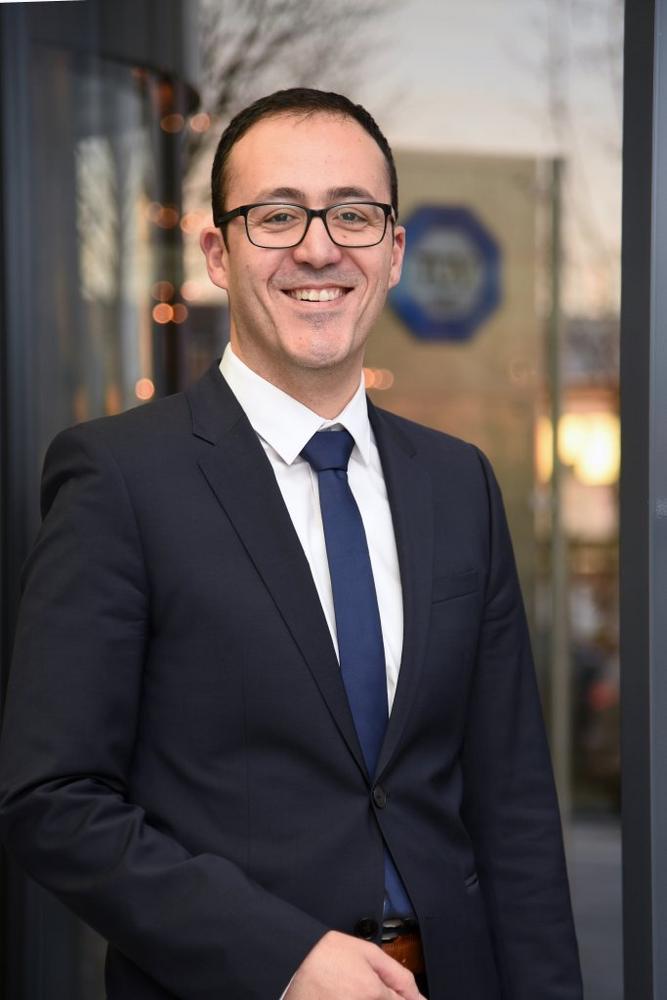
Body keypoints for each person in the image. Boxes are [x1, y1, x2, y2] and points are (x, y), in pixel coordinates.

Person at [0, 88, 583, 1000]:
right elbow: (53, 800)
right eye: (276, 215)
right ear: (216, 253)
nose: (319, 248)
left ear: (393, 251)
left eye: (353, 214)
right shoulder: (119, 478)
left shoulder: (458, 483)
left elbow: (512, 808)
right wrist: (281, 955)